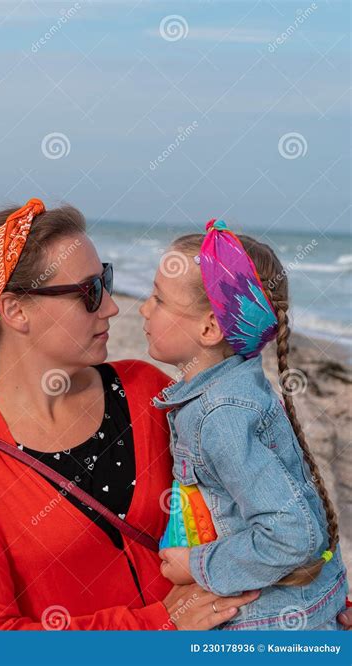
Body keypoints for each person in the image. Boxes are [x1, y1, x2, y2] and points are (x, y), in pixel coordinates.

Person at [0, 199, 260, 630]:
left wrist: (312, 596)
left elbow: (247, 498)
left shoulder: (146, 391)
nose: (112, 307)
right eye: (89, 293)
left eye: (106, 281)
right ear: (15, 310)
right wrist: (159, 624)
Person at [139, 219, 349, 630]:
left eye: (158, 299)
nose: (144, 309)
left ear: (210, 328)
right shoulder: (234, 384)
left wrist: (196, 565)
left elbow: (292, 534)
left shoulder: (221, 416)